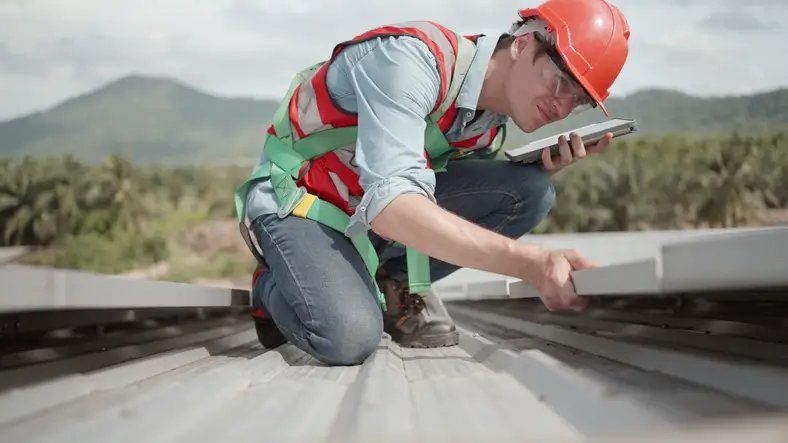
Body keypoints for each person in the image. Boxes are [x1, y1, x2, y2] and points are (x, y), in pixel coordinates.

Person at [234, 0, 630, 365]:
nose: (562, 106)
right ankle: (272, 285)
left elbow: (439, 196)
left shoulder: (490, 123)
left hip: (364, 211)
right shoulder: (409, 60)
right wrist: (534, 264)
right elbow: (394, 208)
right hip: (303, 202)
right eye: (561, 81)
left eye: (578, 100)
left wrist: (543, 169)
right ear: (524, 43)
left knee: (530, 190)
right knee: (349, 336)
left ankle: (395, 284)